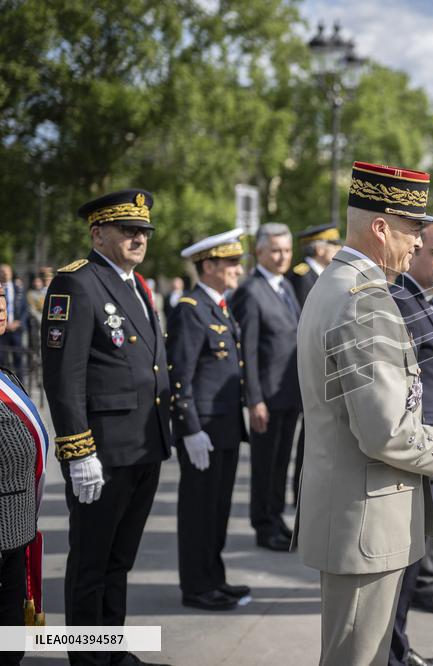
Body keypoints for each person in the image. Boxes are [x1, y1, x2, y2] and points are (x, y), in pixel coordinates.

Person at [294, 161, 433, 666]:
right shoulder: (365, 300)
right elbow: (385, 432)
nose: (418, 243)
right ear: (381, 227)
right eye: (413, 229)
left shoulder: (337, 283)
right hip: (366, 517)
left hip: (355, 511)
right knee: (356, 657)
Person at [41, 189, 172, 666]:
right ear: (98, 233)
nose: (139, 238)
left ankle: (112, 652)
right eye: (128, 230)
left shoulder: (137, 284)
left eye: (144, 231)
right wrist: (78, 451)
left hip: (144, 445)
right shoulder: (76, 283)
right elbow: (64, 376)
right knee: (91, 565)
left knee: (120, 562)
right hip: (103, 452)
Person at [389, 219, 433, 665]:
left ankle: (399, 648)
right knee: (403, 566)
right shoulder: (398, 301)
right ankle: (393, 655)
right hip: (419, 450)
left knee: (413, 562)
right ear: (415, 250)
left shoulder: (427, 299)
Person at [168, 229, 251, 611]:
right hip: (204, 430)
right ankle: (197, 586)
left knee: (217, 510)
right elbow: (180, 375)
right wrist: (190, 429)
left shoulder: (218, 305)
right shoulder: (190, 307)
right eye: (231, 262)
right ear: (209, 265)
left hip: (226, 428)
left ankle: (213, 577)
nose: (238, 268)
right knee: (199, 511)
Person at [231, 223, 300, 552]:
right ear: (259, 252)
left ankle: (276, 517)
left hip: (288, 394)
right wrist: (254, 399)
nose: (282, 256)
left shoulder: (285, 286)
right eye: (275, 250)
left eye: (286, 250)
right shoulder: (251, 289)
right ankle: (263, 524)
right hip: (267, 397)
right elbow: (249, 349)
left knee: (281, 462)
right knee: (265, 464)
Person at [0, 290, 50, 666]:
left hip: (16, 526)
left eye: (1, 304)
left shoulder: (6, 373)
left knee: (11, 639)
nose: (0, 312)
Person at [286, 223, 341, 507]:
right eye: (333, 244)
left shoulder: (322, 277)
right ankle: (302, 499)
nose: (338, 249)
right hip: (308, 369)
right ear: (319, 249)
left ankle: (308, 498)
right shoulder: (302, 277)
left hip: (322, 370)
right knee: (308, 439)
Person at [0, 265, 28, 379]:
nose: (5, 274)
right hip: (3, 330)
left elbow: (25, 308)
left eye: (7, 272)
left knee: (18, 358)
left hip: (16, 329)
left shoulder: (18, 288)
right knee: (2, 358)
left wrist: (18, 322)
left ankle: (20, 383)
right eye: (2, 272)